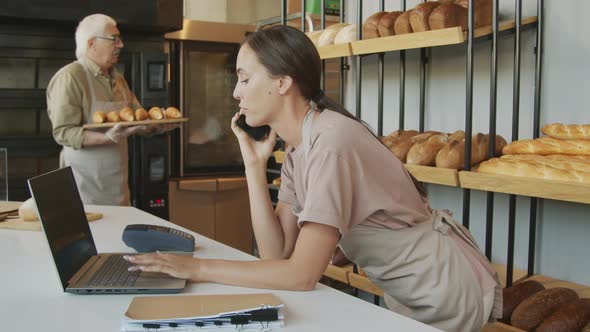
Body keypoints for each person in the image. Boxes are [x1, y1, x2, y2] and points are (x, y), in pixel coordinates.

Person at [125, 25, 501, 332]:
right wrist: (254, 168)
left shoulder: (331, 141)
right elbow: (277, 253)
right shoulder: (299, 148)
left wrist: (197, 268)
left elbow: (302, 274)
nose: (236, 92)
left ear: (283, 82)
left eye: (244, 78)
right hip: (413, 292)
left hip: (445, 292)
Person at [46, 14, 176, 206]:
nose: (120, 44)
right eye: (113, 39)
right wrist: (108, 137)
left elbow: (138, 119)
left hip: (117, 190)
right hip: (83, 193)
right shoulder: (71, 77)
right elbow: (63, 132)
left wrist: (157, 126)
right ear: (91, 43)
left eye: (119, 39)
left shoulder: (118, 79)